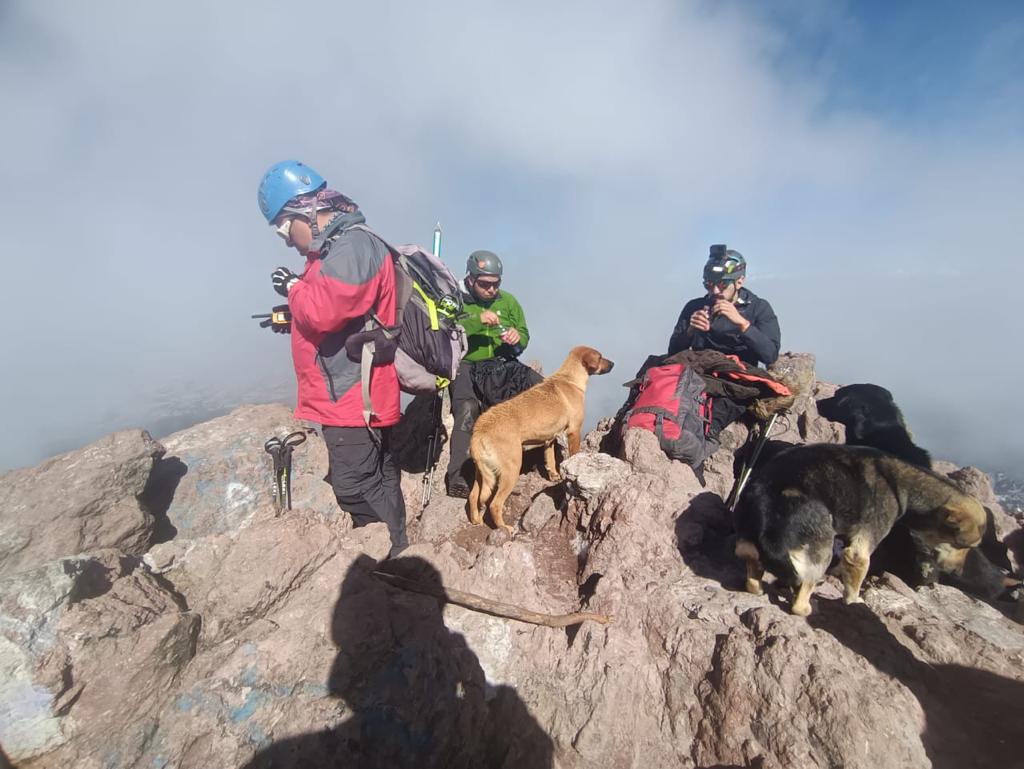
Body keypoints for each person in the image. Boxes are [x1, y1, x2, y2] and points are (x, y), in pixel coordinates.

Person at [257, 160, 408, 557]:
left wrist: (293, 290)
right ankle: (397, 549)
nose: (287, 240)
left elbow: (325, 311)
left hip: (352, 397)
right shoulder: (340, 249)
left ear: (305, 210)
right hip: (357, 391)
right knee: (378, 476)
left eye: (285, 228)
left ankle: (388, 559)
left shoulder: (353, 246)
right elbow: (341, 315)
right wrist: (293, 315)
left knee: (355, 485)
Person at [445, 250, 542, 498]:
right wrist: (478, 320)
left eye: (496, 284)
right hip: (466, 363)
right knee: (466, 410)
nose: (491, 290)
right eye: (485, 284)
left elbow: (524, 335)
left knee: (540, 390)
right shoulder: (456, 300)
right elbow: (445, 329)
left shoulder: (508, 302)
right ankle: (460, 477)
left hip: (501, 362)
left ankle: (539, 456)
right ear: (470, 279)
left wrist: (517, 339)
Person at [667, 244, 782, 437]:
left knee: (715, 412)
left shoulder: (759, 308)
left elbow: (770, 354)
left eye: (721, 284)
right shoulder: (695, 307)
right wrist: (689, 331)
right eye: (708, 284)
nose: (714, 290)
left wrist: (743, 325)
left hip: (737, 379)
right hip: (700, 372)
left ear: (739, 281)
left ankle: (701, 438)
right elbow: (673, 352)